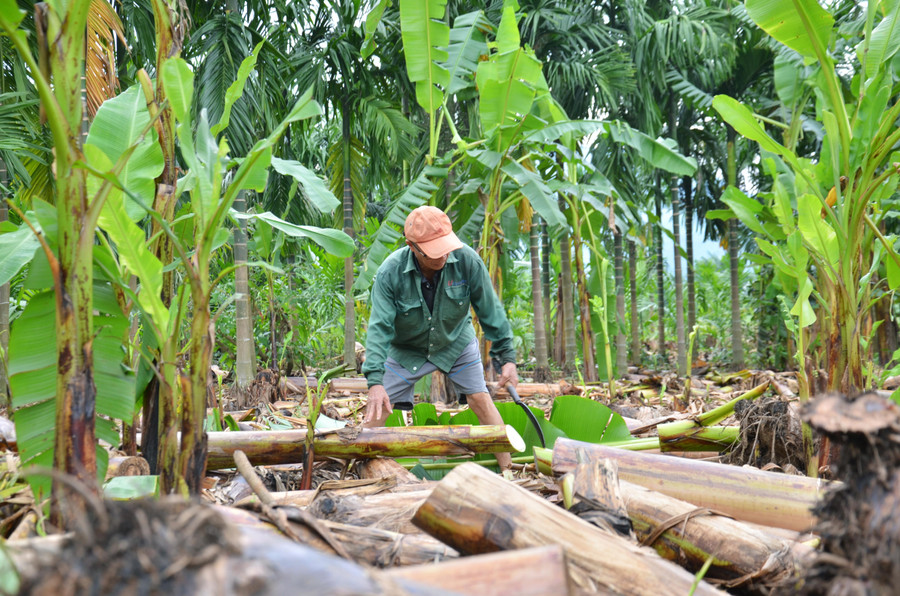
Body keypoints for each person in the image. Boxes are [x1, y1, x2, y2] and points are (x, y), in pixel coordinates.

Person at [361, 205, 519, 470]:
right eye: (435, 250)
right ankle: (358, 462)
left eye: (445, 245)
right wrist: (374, 382)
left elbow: (491, 312)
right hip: (406, 350)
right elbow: (379, 328)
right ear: (413, 247)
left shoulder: (467, 261)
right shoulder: (390, 273)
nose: (443, 255)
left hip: (455, 342)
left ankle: (509, 469)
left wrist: (508, 359)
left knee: (480, 399)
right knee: (380, 406)